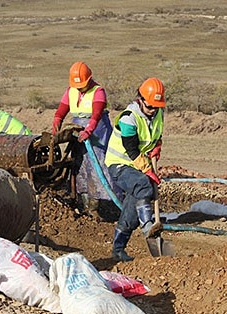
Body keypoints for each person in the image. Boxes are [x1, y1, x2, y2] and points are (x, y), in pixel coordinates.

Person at [104, 78, 165, 262]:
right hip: (119, 164)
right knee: (143, 185)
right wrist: (148, 170)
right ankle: (148, 226)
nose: (153, 110)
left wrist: (157, 146)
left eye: (156, 106)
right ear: (140, 100)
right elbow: (131, 150)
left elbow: (156, 133)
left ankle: (118, 250)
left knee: (131, 211)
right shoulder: (128, 118)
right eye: (150, 107)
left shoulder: (158, 113)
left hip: (137, 165)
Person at [52, 61, 115, 219]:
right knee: (79, 166)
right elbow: (61, 111)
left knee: (96, 166)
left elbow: (96, 115)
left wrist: (89, 130)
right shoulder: (71, 91)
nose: (79, 88)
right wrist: (56, 121)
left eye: (82, 85)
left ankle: (94, 206)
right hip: (77, 129)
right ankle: (83, 202)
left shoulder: (98, 91)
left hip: (98, 132)